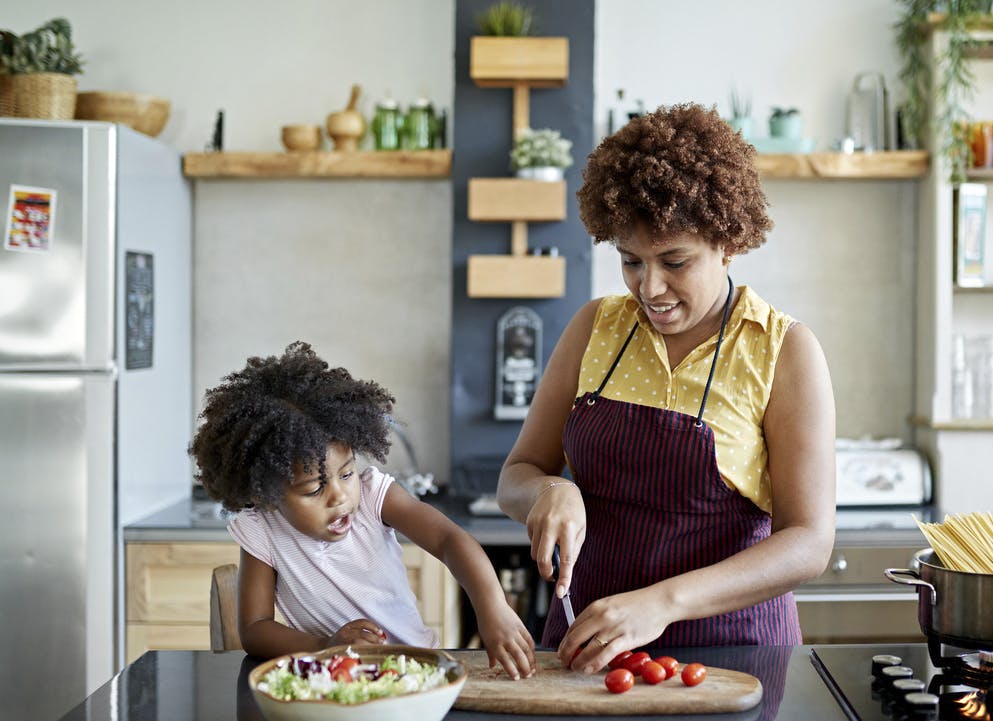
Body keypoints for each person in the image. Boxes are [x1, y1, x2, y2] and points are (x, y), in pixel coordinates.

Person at [496, 103, 836, 671]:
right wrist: (549, 491)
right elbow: (517, 475)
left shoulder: (781, 349)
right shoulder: (595, 327)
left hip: (732, 658)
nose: (649, 288)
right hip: (588, 648)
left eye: (674, 261)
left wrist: (662, 604)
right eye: (631, 261)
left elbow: (809, 542)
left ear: (728, 242)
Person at [190, 341, 536, 678]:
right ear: (268, 495)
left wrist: (492, 607)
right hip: (330, 681)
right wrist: (326, 645)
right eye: (313, 489)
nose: (340, 496)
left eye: (347, 473)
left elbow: (449, 539)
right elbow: (254, 628)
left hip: (416, 671)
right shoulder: (262, 529)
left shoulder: (372, 496)